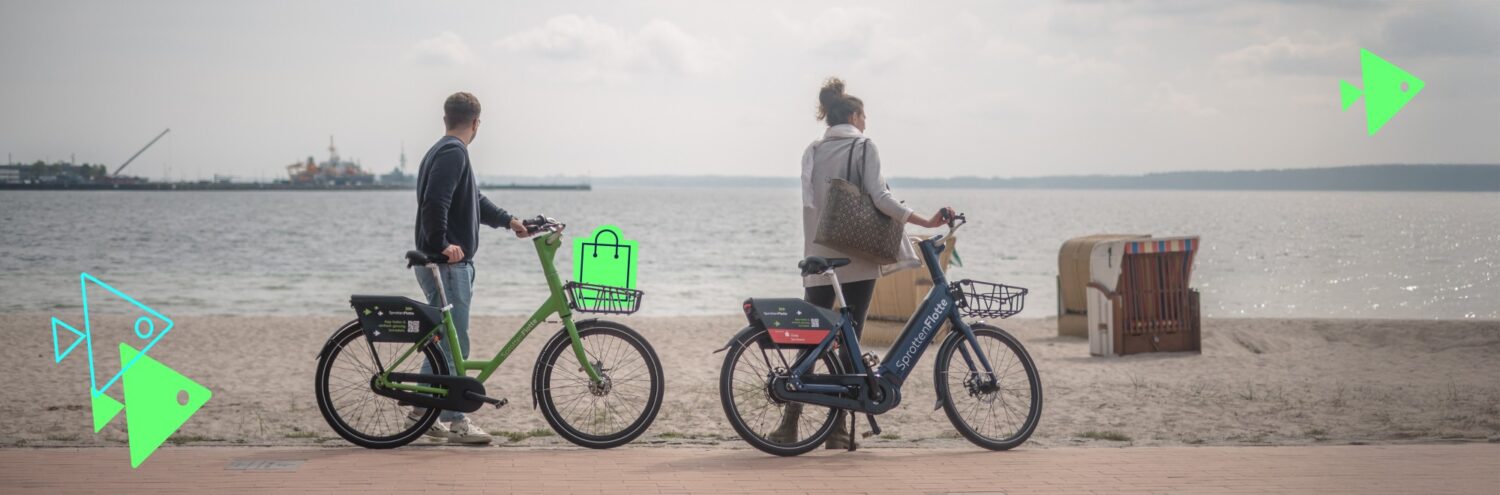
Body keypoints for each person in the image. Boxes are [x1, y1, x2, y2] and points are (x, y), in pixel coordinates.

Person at [770, 77, 952, 450]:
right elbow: (881, 198)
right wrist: (926, 221)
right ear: (854, 116)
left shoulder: (812, 151)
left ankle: (789, 425)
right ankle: (837, 430)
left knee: (811, 342)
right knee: (849, 344)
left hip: (818, 258)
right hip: (856, 258)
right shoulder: (864, 146)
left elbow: (810, 206)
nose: (867, 122)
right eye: (864, 116)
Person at [405, 92, 529, 445]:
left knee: (444, 344)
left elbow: (473, 200)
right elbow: (435, 202)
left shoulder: (442, 151)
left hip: (443, 263)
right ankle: (456, 419)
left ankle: (421, 414)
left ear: (445, 118)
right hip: (447, 265)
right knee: (454, 345)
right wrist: (442, 244)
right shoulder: (453, 153)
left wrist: (509, 221)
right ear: (476, 123)